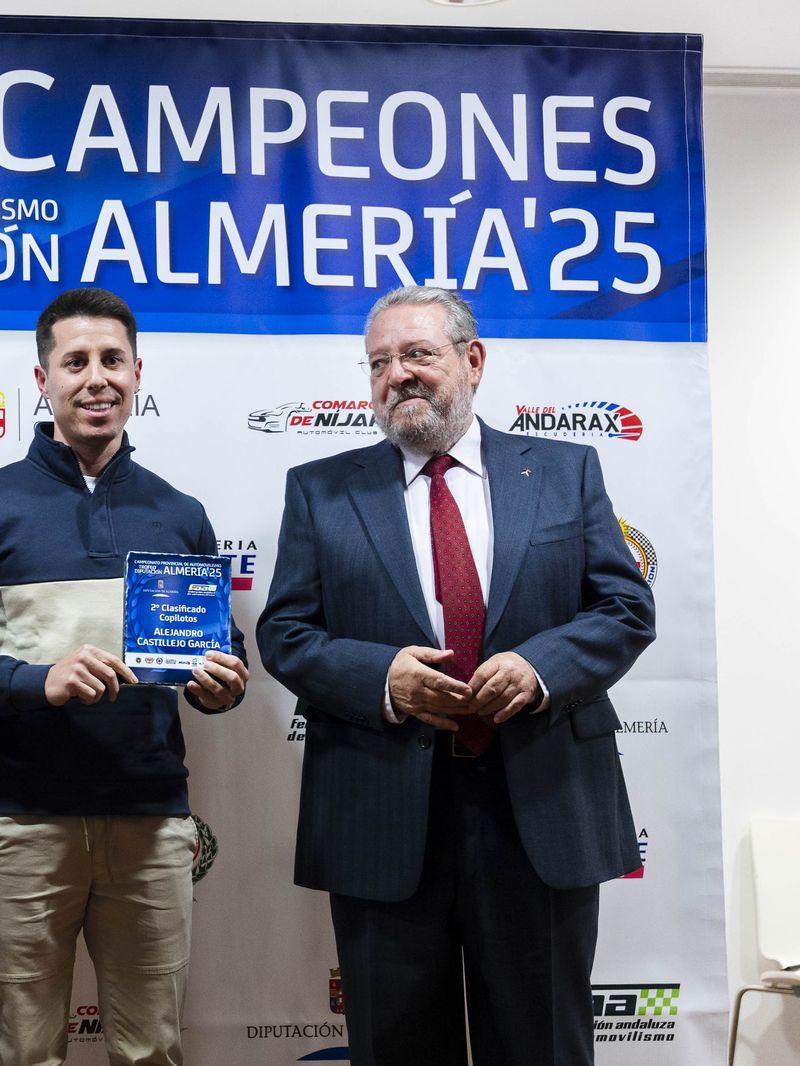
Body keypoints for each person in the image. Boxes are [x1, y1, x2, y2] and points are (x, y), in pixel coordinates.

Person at [258, 285, 655, 1066]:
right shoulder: (321, 489)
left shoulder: (568, 472)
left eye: (417, 355)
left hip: (536, 810)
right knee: (399, 1048)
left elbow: (624, 609)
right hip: (384, 816)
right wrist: (384, 678)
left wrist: (541, 666)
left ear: (472, 361)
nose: (397, 375)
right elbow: (284, 633)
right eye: (379, 362)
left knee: (541, 1046)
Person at [0, 287, 249, 1066]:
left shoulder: (179, 512)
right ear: (42, 379)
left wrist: (223, 682)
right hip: (24, 822)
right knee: (25, 1051)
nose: (96, 379)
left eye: (112, 361)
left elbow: (214, 655)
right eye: (76, 362)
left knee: (152, 1050)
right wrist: (39, 682)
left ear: (137, 374)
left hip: (151, 820)